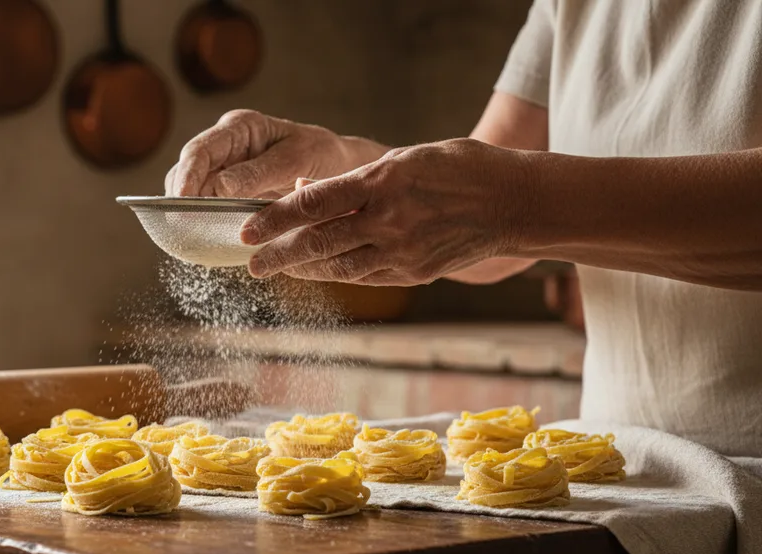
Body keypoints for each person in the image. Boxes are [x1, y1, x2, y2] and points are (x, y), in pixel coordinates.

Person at [165, 0, 762, 457]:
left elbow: (497, 202)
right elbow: (481, 234)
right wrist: (339, 162)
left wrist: (514, 205)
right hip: (624, 468)